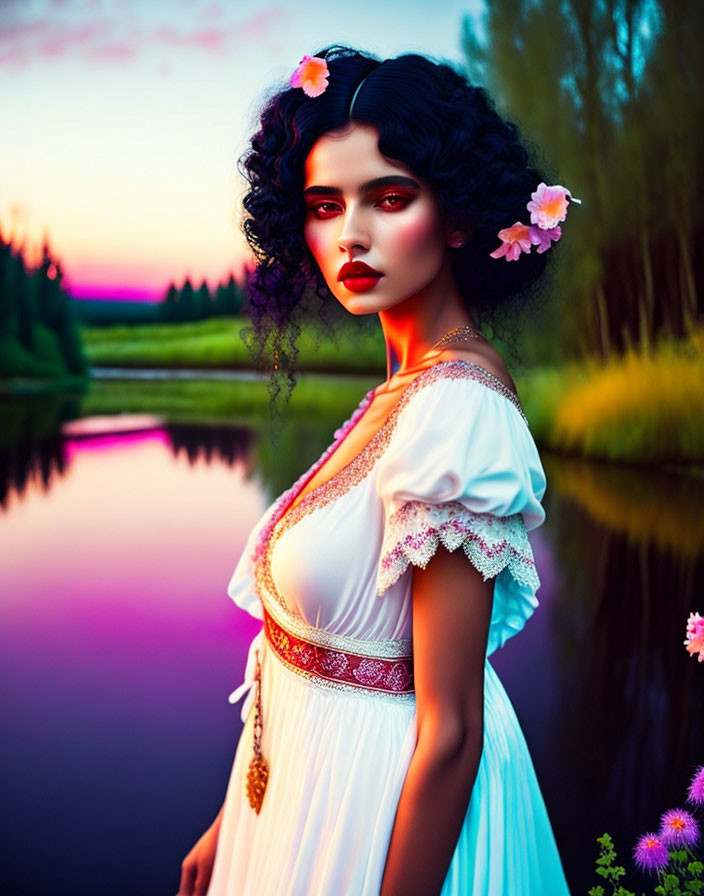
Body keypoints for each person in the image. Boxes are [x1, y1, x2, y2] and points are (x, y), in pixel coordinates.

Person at [177, 45, 573, 896]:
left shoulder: (459, 413)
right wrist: (231, 821)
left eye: (389, 199)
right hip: (302, 796)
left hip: (379, 815)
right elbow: (302, 656)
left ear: (458, 214)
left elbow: (453, 730)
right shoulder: (406, 389)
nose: (350, 234)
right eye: (325, 205)